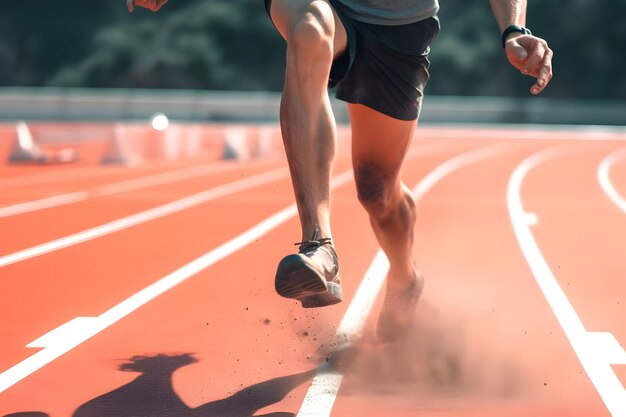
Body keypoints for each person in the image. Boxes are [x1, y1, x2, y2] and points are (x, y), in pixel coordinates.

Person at [128, 0, 553, 341]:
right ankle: (319, 245)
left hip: (400, 30)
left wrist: (515, 30)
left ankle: (405, 277)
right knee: (310, 29)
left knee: (376, 190)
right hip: (324, 5)